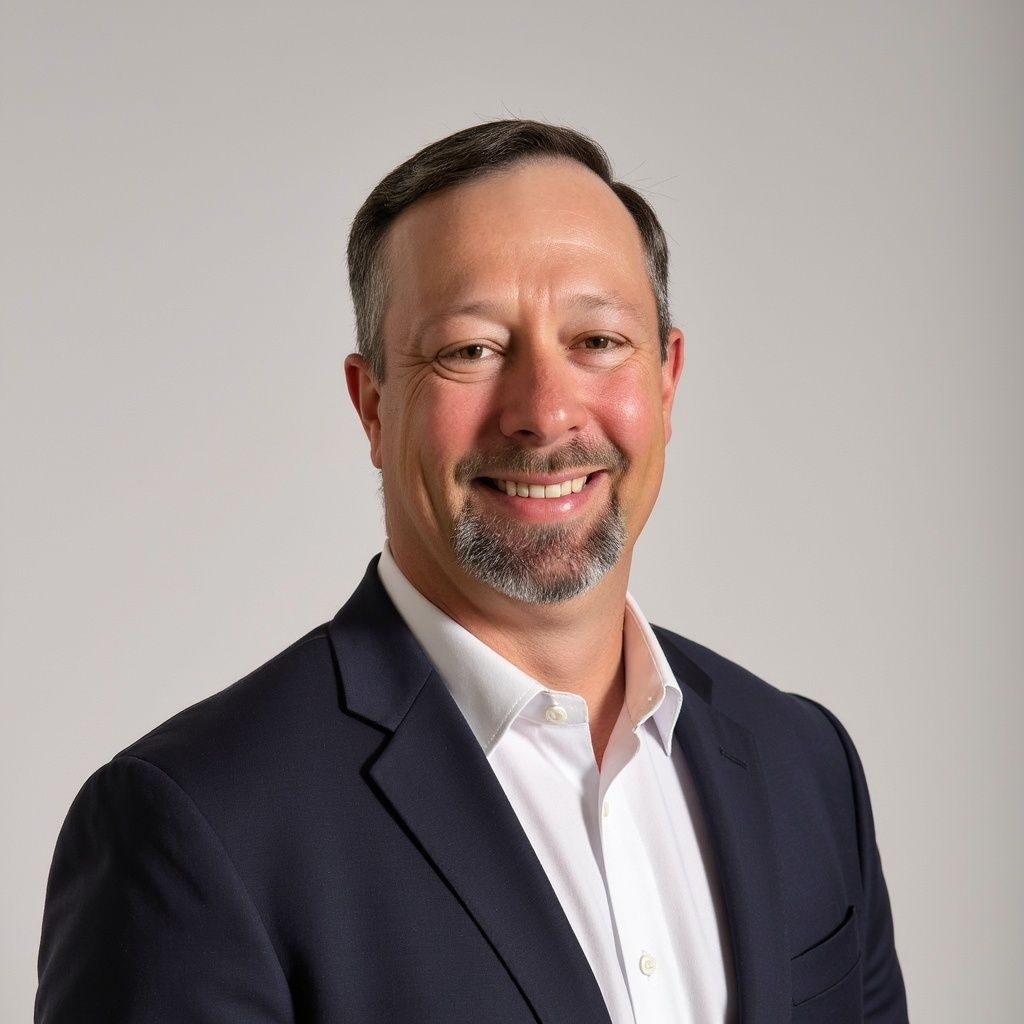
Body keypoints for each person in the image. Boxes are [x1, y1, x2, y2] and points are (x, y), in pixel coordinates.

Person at [35, 120, 907, 1023]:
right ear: (372, 406)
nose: (543, 412)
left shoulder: (804, 766)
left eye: (599, 340)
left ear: (667, 380)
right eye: (471, 350)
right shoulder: (197, 825)